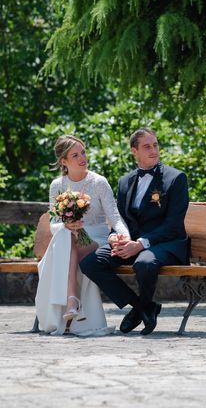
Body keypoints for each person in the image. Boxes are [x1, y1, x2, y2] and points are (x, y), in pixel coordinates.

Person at [80, 128, 189, 335]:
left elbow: (173, 225)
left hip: (165, 243)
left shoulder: (175, 179)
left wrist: (140, 244)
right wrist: (114, 237)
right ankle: (142, 306)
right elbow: (118, 218)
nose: (154, 150)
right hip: (131, 243)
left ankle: (142, 308)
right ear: (134, 151)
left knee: (144, 263)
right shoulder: (125, 181)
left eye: (155, 145)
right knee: (90, 263)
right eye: (147, 147)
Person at [35, 135, 130, 336]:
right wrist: (67, 224)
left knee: (68, 238)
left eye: (83, 152)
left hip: (96, 239)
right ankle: (72, 300)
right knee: (67, 235)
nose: (82, 158)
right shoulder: (57, 185)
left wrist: (125, 236)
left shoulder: (98, 182)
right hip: (68, 237)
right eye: (75, 155)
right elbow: (53, 224)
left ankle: (71, 299)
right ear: (64, 161)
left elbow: (114, 216)